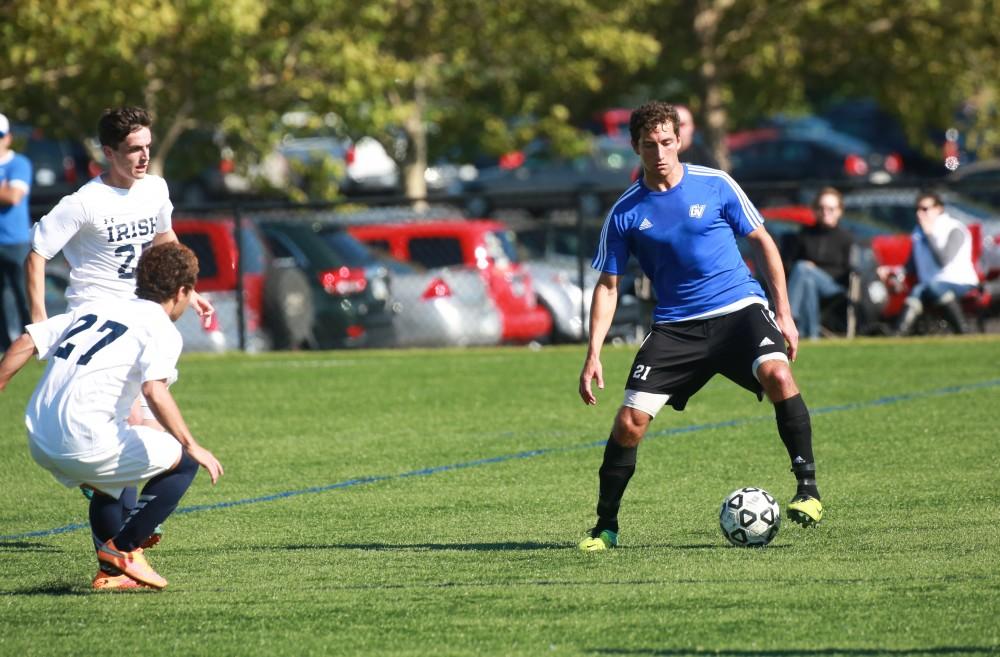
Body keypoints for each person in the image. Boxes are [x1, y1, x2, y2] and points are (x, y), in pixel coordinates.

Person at [577, 101, 822, 552]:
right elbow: (608, 286)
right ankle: (605, 527)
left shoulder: (716, 183)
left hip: (739, 310)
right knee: (629, 422)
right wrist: (593, 352)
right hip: (676, 327)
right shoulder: (626, 212)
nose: (660, 152)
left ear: (679, 140)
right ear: (635, 148)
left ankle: (807, 490)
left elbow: (763, 242)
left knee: (778, 374)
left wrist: (784, 313)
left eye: (667, 142)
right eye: (649, 145)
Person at [23, 106, 214, 553]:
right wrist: (40, 320)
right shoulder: (83, 202)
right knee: (129, 432)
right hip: (97, 321)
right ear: (108, 152)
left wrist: (191, 288)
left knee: (138, 437)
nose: (143, 157)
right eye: (133, 150)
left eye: (147, 147)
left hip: (140, 317)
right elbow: (37, 253)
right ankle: (118, 547)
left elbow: (165, 241)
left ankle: (118, 538)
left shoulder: (155, 189)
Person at [0, 242, 223, 589]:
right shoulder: (161, 328)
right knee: (184, 462)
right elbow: (154, 390)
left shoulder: (99, 308)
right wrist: (192, 445)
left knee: (114, 482)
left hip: (38, 437)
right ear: (182, 292)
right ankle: (124, 548)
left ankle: (111, 575)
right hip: (84, 440)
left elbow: (28, 341)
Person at [877, 191, 979, 336]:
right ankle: (897, 335)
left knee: (933, 287)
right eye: (917, 209)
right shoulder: (918, 233)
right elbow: (910, 267)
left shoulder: (954, 228)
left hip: (961, 283)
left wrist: (929, 235)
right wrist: (891, 271)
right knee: (918, 290)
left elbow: (943, 260)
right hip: (930, 286)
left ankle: (963, 331)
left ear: (939, 209)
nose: (920, 214)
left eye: (925, 209)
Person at [785, 187, 856, 339]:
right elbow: (790, 264)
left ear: (839, 211)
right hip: (806, 282)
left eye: (831, 208)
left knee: (803, 268)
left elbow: (849, 268)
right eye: (821, 208)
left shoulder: (846, 237)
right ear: (815, 210)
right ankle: (811, 335)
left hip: (834, 286)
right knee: (808, 280)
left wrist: (812, 269)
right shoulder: (805, 233)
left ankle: (789, 314)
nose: (825, 212)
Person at [0, 112, 33, 350]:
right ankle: (5, 347)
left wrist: (6, 191)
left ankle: (33, 346)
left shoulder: (19, 163)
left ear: (8, 138)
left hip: (16, 241)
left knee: (24, 295)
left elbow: (13, 196)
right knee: (2, 300)